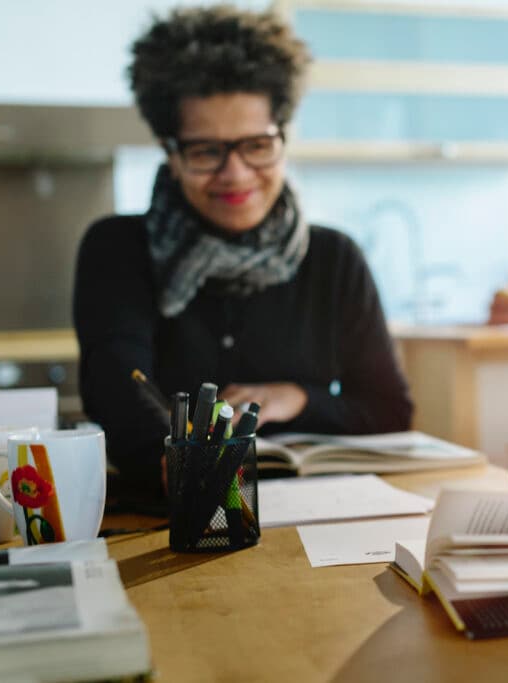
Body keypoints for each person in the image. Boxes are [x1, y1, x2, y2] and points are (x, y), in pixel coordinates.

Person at [74, 6, 412, 505]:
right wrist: (171, 458)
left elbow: (389, 411)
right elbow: (115, 385)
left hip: (315, 515)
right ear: (171, 150)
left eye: (256, 145)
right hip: (169, 518)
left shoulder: (333, 258)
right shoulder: (118, 249)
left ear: (282, 137)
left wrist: (297, 398)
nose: (235, 174)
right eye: (207, 151)